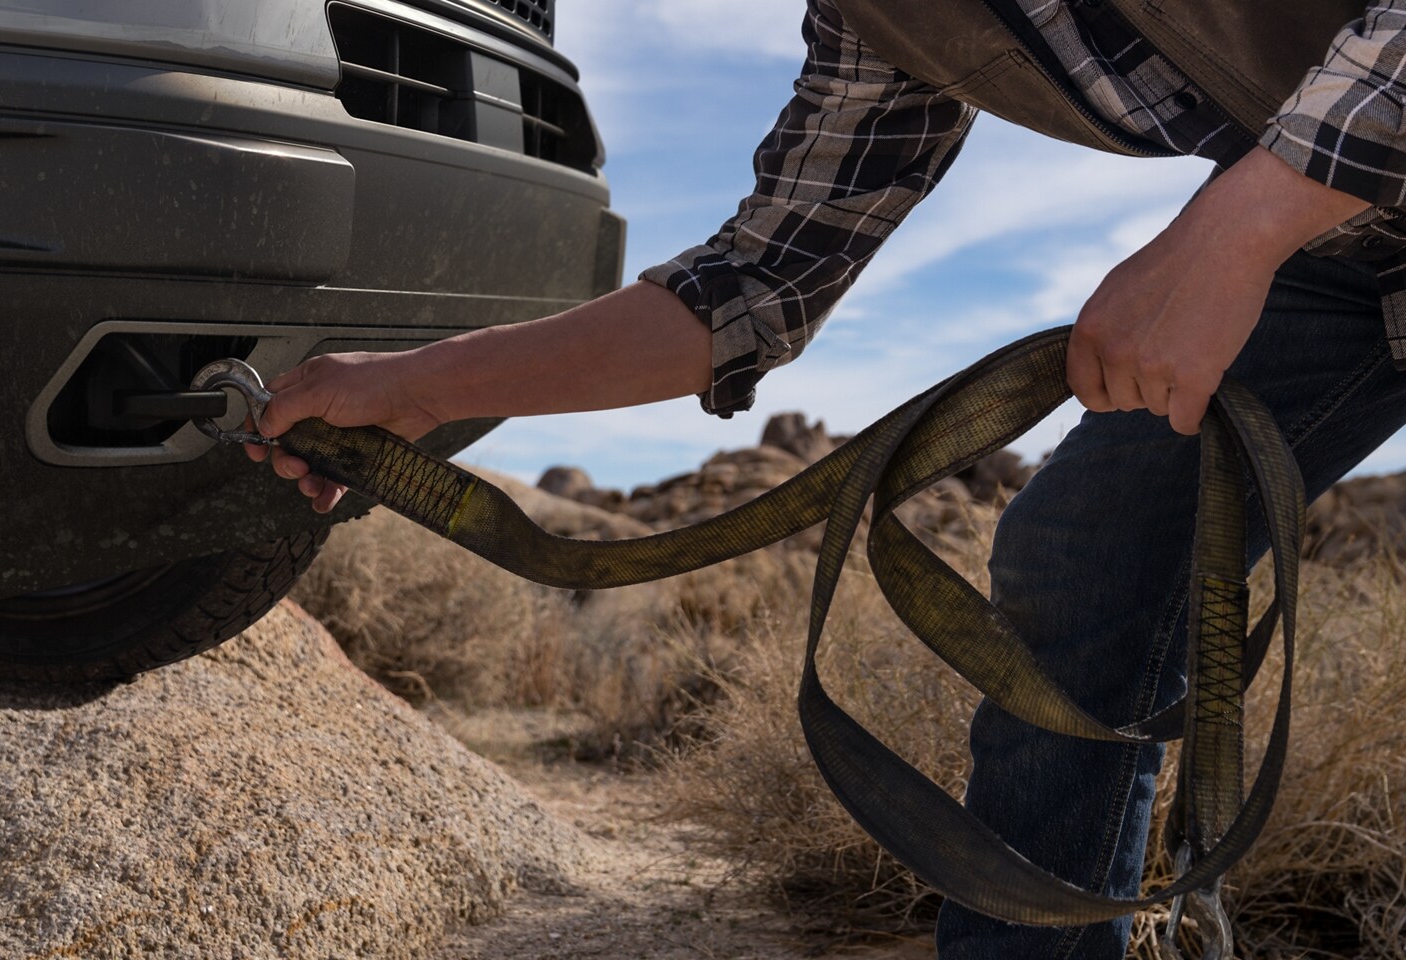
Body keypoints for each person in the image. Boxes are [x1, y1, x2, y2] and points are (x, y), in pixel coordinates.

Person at [248, 2, 1406, 956]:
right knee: (1082, 558)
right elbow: (757, 281)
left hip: (1309, 210)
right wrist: (426, 388)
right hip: (1354, 245)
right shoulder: (879, 19)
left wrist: (1237, 230)